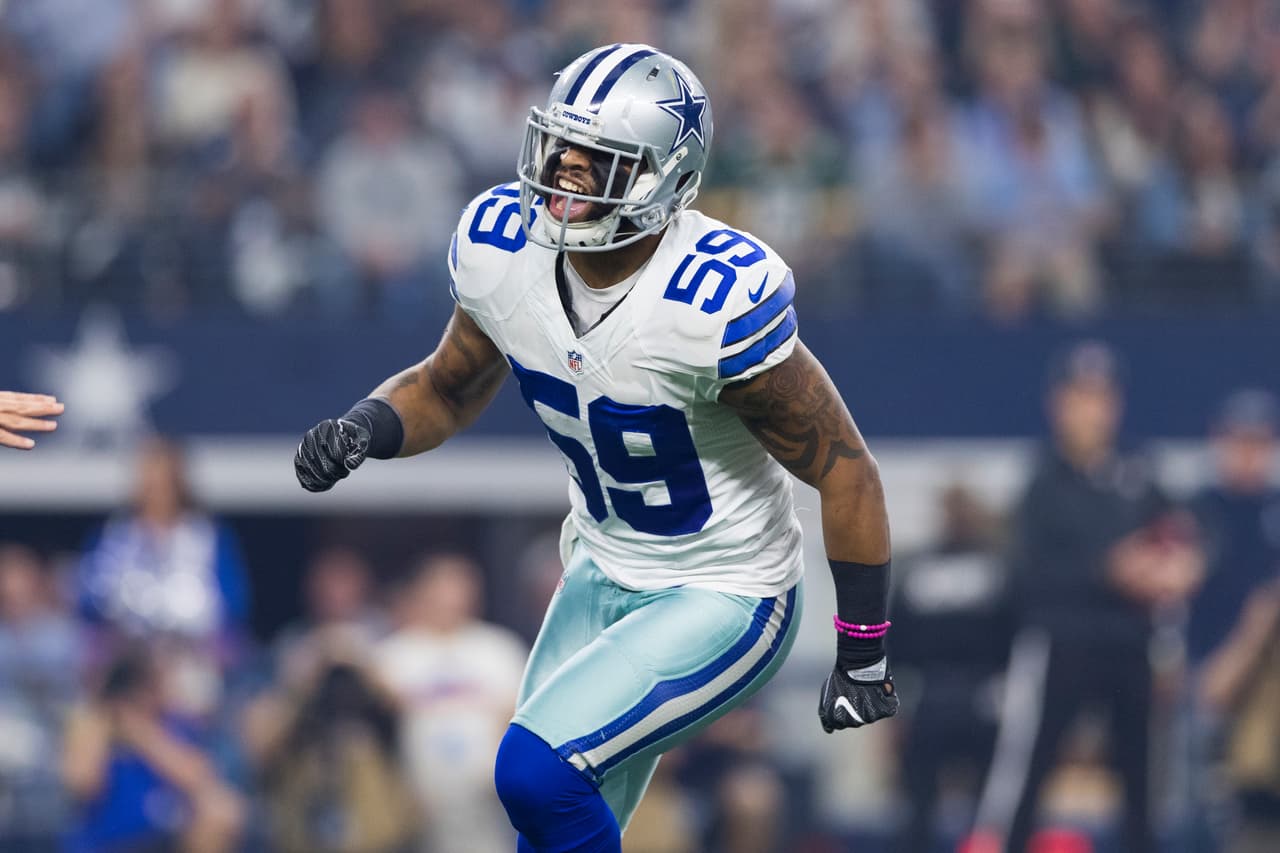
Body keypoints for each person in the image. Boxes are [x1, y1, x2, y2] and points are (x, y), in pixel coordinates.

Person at [294, 44, 897, 852]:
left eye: (596, 162)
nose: (562, 175)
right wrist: (363, 428)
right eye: (559, 149)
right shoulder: (504, 246)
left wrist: (863, 650)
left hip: (724, 588)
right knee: (545, 821)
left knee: (534, 770)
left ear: (664, 179)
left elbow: (845, 468)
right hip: (601, 564)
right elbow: (446, 387)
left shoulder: (711, 302)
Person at [975, 341, 1202, 853]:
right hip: (1061, 642)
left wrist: (1182, 562)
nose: (1090, 411)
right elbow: (1025, 575)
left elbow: (1186, 528)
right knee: (1026, 775)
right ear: (1058, 404)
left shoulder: (1138, 472)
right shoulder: (1043, 481)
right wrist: (1110, 569)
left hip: (1130, 642)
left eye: (1100, 398)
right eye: (1080, 398)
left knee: (1141, 784)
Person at [375, 552, 528, 853]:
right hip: (417, 802)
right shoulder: (393, 653)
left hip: (487, 802)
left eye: (460, 588)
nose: (451, 598)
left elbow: (519, 719)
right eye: (443, 587)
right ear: (423, 591)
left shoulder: (499, 648)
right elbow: (379, 729)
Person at [1185, 390, 1280, 851]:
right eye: (1238, 440)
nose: (1247, 453)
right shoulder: (1201, 510)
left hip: (1269, 686)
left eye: (1258, 441)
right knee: (1198, 809)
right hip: (1209, 673)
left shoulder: (1274, 509)